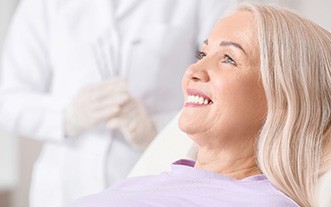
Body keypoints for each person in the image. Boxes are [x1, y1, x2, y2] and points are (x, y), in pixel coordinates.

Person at [68, 2, 331, 207]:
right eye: (202, 54)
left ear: (283, 98)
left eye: (228, 58)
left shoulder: (259, 203)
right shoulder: (143, 184)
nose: (194, 69)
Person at [0, 0, 234, 207]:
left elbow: (228, 89)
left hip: (152, 176)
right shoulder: (44, 4)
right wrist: (66, 116)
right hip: (63, 187)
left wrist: (156, 129)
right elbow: (7, 99)